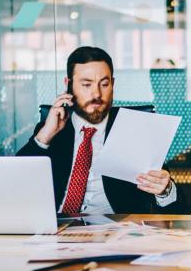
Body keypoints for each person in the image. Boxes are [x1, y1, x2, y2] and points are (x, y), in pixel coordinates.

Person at [17, 46, 180, 214]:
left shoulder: (134, 129)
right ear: (68, 85)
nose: (96, 94)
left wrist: (165, 190)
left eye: (104, 84)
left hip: (116, 231)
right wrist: (44, 136)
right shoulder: (51, 130)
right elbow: (16, 183)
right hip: (57, 229)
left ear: (113, 85)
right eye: (86, 85)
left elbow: (175, 208)